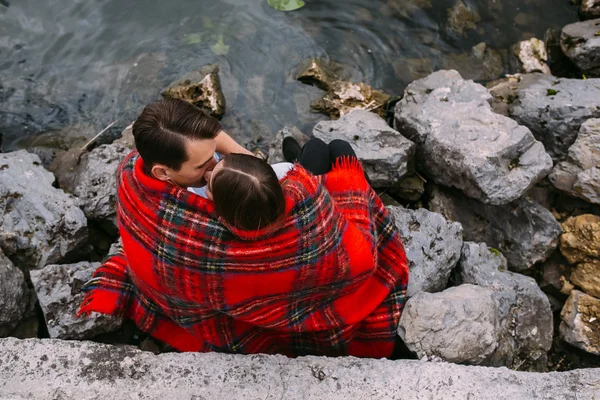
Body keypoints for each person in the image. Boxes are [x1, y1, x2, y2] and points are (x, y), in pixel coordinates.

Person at [78, 98, 409, 358]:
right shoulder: (216, 242)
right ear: (165, 171)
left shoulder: (133, 172)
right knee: (335, 154)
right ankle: (304, 162)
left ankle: (302, 160)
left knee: (316, 154)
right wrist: (300, 191)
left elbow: (216, 144)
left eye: (216, 153)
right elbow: (358, 259)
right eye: (203, 165)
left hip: (246, 210)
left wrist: (248, 161)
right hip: (211, 304)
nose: (215, 165)